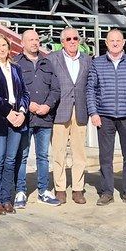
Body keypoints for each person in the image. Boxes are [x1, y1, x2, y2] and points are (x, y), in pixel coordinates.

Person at [87, 28, 126, 206]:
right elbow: (91, 89)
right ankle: (107, 192)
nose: (115, 43)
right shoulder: (97, 63)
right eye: (111, 40)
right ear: (106, 43)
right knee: (106, 157)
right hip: (105, 116)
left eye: (118, 40)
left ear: (123, 43)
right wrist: (93, 112)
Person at [0, 32, 30, 215]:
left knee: (10, 160)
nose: (2, 49)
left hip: (17, 117)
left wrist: (22, 111)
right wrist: (8, 112)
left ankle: (6, 198)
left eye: (4, 45)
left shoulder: (16, 68)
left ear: (9, 47)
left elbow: (24, 93)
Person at [14, 29, 61, 207]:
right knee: (22, 155)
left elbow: (56, 89)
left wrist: (47, 106)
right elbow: (14, 90)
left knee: (43, 156)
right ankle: (20, 191)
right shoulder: (16, 63)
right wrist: (28, 105)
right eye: (31, 40)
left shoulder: (47, 63)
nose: (35, 43)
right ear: (22, 43)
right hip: (25, 118)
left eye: (36, 40)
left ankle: (43, 191)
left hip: (44, 117)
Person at [48, 27, 91, 205]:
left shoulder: (87, 60)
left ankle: (78, 189)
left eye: (75, 38)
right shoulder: (52, 59)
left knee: (79, 152)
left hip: (80, 110)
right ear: (62, 42)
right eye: (68, 39)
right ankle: (60, 188)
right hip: (60, 110)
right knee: (58, 152)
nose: (72, 42)